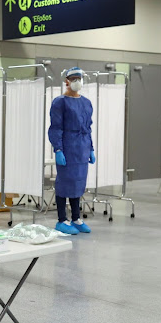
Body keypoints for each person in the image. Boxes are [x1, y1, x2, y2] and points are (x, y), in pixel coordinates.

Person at [48, 66, 96, 235]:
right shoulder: (60, 102)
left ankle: (76, 218)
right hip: (67, 147)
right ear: (66, 81)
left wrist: (90, 148)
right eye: (74, 78)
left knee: (78, 183)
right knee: (64, 184)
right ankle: (62, 220)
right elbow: (55, 128)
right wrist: (58, 149)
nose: (77, 81)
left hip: (82, 148)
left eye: (79, 78)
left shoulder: (86, 103)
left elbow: (88, 128)